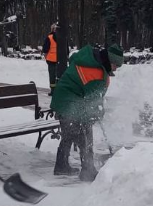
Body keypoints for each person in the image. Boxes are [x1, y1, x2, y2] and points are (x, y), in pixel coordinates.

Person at [50, 43, 124, 182]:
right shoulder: (96, 73)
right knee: (84, 136)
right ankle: (87, 170)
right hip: (68, 102)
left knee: (70, 134)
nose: (115, 69)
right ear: (110, 61)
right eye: (115, 65)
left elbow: (92, 99)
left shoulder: (91, 60)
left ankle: (61, 166)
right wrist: (97, 114)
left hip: (65, 99)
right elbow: (94, 101)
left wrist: (94, 114)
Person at [42, 23, 59, 95]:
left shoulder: (49, 37)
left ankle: (53, 90)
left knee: (52, 76)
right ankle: (60, 89)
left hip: (51, 60)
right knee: (59, 75)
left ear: (52, 29)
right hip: (60, 60)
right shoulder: (62, 37)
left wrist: (46, 56)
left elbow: (45, 49)